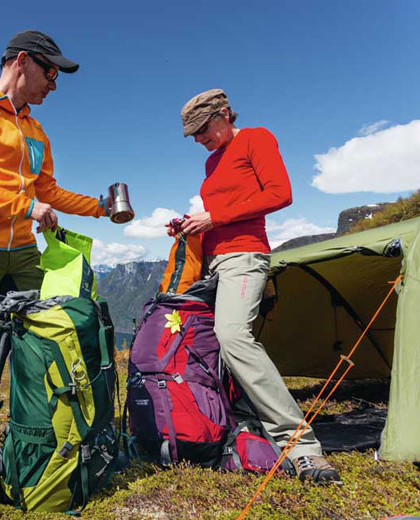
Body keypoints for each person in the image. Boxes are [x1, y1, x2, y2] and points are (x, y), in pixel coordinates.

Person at [0, 30, 110, 450]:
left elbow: (48, 191)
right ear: (22, 61)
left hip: (24, 252)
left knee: (43, 334)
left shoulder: (36, 131)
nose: (54, 84)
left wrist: (101, 207)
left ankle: (34, 425)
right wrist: (23, 206)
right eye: (50, 72)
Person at [173, 89, 341, 484]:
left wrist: (214, 218)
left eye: (202, 129)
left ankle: (301, 447)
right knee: (209, 343)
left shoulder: (256, 138)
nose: (199, 140)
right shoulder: (213, 161)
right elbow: (221, 213)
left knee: (232, 336)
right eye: (193, 135)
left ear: (224, 114)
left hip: (245, 256)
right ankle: (234, 424)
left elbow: (280, 193)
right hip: (214, 261)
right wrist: (191, 226)